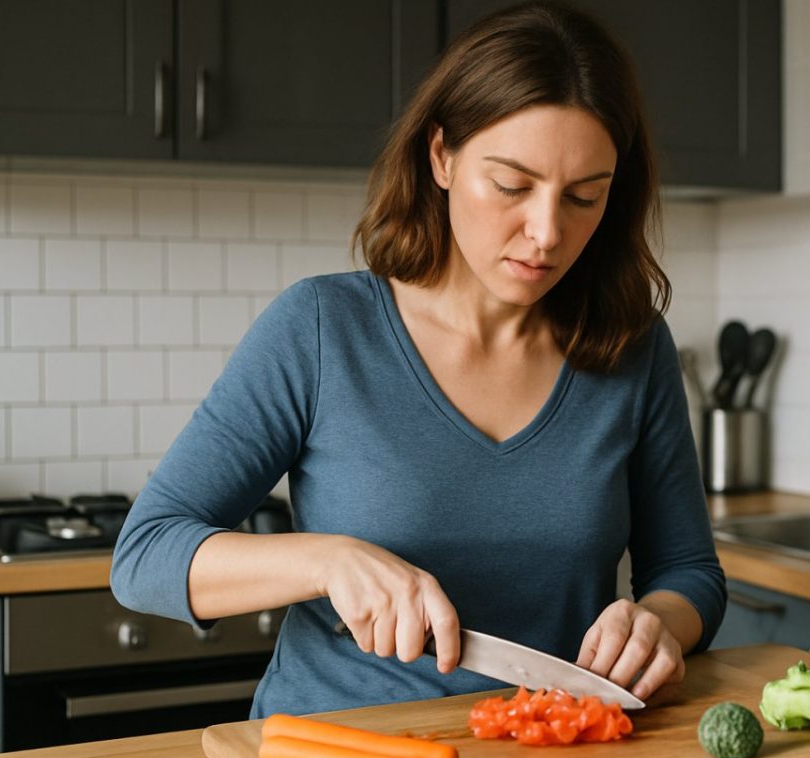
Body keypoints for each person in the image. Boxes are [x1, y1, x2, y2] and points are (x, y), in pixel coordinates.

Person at [110, 2, 726, 718]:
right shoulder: (320, 329)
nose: (547, 232)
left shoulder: (632, 347)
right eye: (511, 186)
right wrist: (327, 561)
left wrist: (659, 625)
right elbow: (145, 556)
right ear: (441, 156)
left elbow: (688, 573)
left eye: (585, 197)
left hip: (551, 756)